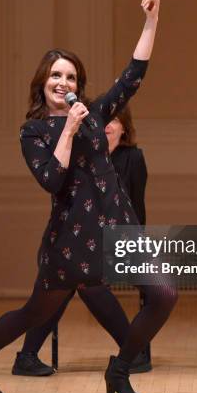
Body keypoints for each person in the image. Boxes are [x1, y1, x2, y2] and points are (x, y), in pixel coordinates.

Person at [0, 0, 177, 393]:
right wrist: (70, 129)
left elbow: (133, 75)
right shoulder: (34, 130)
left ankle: (118, 370)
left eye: (71, 75)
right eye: (55, 75)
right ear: (43, 82)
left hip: (119, 230)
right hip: (71, 240)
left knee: (164, 293)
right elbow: (52, 180)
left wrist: (151, 21)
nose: (63, 81)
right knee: (33, 314)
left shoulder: (97, 111)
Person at [11, 104, 152, 377]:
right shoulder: (77, 151)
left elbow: (136, 205)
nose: (108, 125)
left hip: (114, 241)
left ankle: (27, 355)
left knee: (75, 282)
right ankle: (132, 349)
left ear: (125, 128)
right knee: (81, 281)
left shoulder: (133, 158)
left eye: (115, 121)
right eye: (105, 121)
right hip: (70, 238)